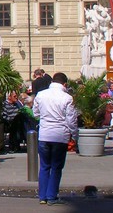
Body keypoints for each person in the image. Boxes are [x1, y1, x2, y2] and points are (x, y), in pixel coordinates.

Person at [33, 72, 78, 205]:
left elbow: (35, 113)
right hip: (60, 135)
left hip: (44, 134)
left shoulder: (41, 95)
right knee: (56, 167)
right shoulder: (67, 98)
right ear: (65, 84)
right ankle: (52, 196)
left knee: (44, 166)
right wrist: (75, 135)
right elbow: (71, 120)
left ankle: (42, 196)